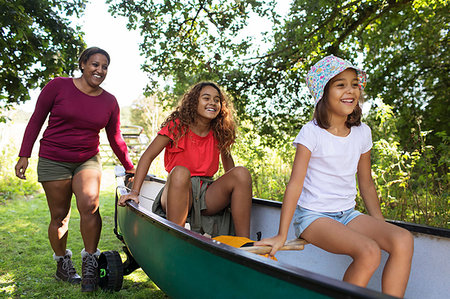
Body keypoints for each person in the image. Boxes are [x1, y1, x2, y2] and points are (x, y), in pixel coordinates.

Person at [254, 55, 413, 297]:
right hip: (313, 216)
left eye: (354, 83)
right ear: (324, 93)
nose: (350, 90)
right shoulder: (311, 133)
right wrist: (282, 234)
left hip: (347, 214)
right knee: (369, 251)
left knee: (402, 240)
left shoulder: (362, 133)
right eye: (340, 84)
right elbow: (295, 184)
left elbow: (366, 183)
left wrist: (380, 226)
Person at [14, 47, 135, 292]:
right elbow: (37, 119)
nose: (99, 70)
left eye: (104, 67)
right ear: (82, 64)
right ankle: (62, 264)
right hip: (53, 158)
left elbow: (115, 137)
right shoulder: (58, 86)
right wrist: (24, 154)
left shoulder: (109, 101)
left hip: (87, 159)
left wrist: (130, 167)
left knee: (90, 206)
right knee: (60, 217)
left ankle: (90, 262)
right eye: (95, 64)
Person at [118, 82, 252, 238]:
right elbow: (147, 156)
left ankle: (244, 244)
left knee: (241, 173)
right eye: (206, 98)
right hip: (177, 189)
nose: (212, 103)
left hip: (206, 194)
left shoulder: (219, 131)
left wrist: (238, 194)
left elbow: (231, 171)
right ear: (194, 101)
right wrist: (134, 192)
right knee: (181, 172)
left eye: (217, 100)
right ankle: (176, 239)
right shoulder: (176, 126)